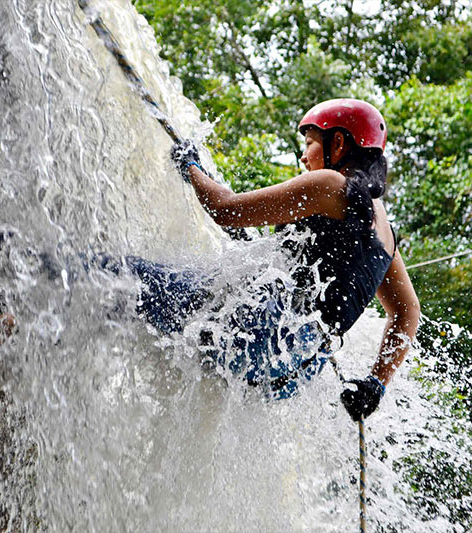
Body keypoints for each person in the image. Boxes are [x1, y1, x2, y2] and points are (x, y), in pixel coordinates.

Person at [168, 99, 420, 421]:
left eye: (310, 143)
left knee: (116, 278)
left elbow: (225, 209)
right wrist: (375, 385)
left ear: (338, 143)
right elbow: (407, 310)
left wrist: (190, 167)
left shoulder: (330, 185)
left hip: (261, 330)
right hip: (293, 371)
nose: (303, 155)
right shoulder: (384, 230)